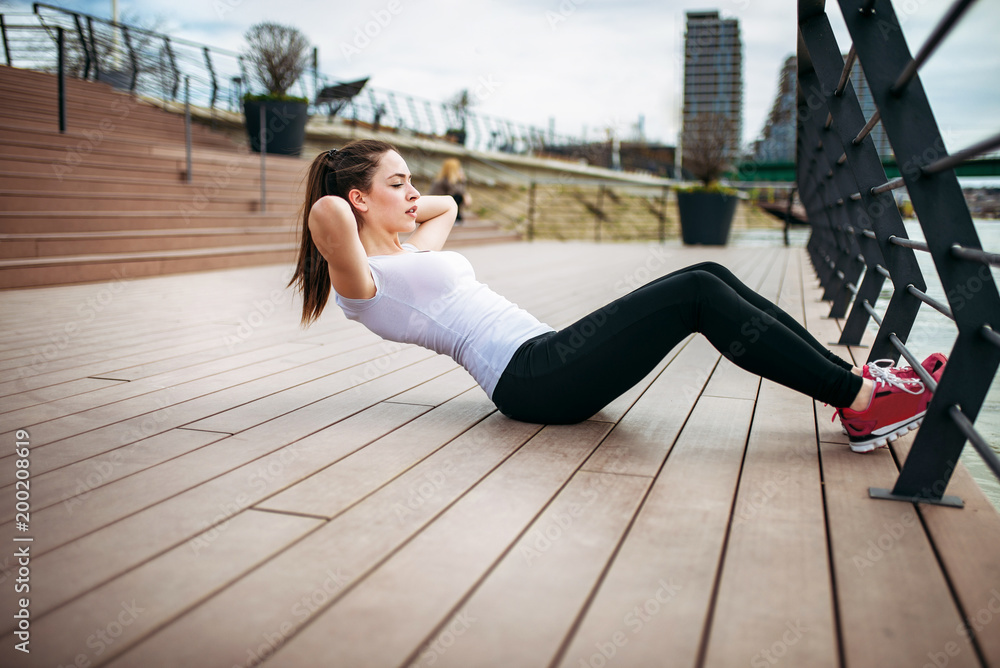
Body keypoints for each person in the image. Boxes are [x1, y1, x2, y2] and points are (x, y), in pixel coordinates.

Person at [287, 140, 945, 454]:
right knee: (695, 294)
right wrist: (348, 190)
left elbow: (444, 205)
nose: (413, 195)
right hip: (531, 379)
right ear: (357, 199)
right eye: (398, 184)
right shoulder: (362, 280)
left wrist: (391, 192)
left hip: (546, 356)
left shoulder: (408, 254)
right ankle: (861, 403)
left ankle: (856, 383)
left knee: (708, 274)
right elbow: (327, 219)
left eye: (410, 183)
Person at [429, 158, 471, 222]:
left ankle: (457, 216)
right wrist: (463, 181)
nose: (460, 170)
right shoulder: (444, 180)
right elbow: (457, 191)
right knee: (457, 197)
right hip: (436, 203)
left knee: (457, 197)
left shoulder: (448, 179)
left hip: (441, 202)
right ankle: (455, 217)